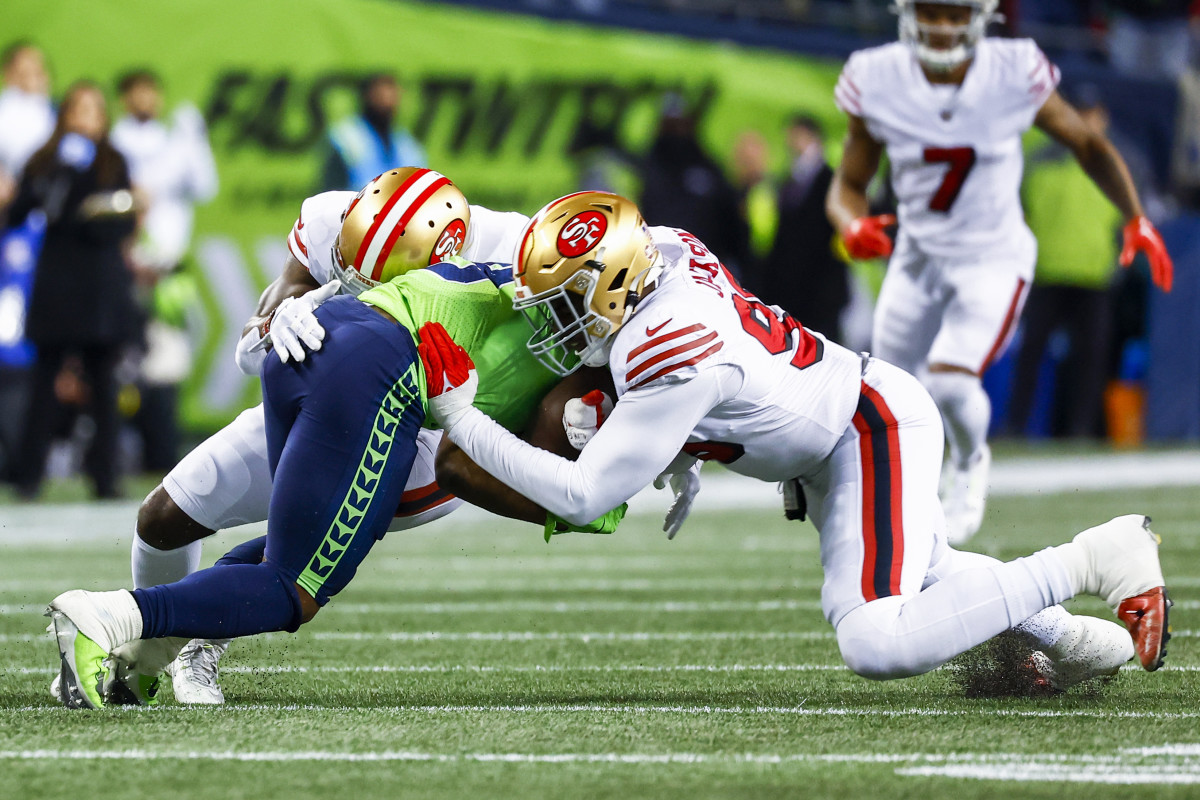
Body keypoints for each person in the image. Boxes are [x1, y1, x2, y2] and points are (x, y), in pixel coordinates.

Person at [413, 190, 1170, 690]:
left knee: (877, 639)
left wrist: (463, 418)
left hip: (863, 426)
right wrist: (676, 438)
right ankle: (1070, 641)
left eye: (566, 301)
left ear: (613, 285)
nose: (555, 319)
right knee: (927, 571)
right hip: (832, 431)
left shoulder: (663, 342)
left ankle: (1095, 557)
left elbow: (585, 496)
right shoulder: (661, 252)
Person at [74, 167, 563, 706]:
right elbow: (260, 326)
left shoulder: (522, 248)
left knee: (305, 554)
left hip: (431, 426)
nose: (364, 295)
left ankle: (190, 640)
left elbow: (616, 294)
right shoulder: (333, 217)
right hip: (331, 380)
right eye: (354, 270)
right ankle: (140, 648)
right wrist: (273, 321)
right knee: (164, 516)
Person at [825, 0, 1174, 544]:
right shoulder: (877, 77)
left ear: (980, 16)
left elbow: (1085, 142)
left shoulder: (1013, 70)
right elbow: (849, 184)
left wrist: (1135, 216)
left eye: (953, 13)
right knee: (889, 396)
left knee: (949, 379)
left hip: (993, 254)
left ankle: (969, 463)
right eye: (930, 13)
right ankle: (907, 501)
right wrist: (850, 225)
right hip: (916, 258)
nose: (941, 27)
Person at [7, 81, 139, 500]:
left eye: (95, 110)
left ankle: (105, 477)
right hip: (57, 284)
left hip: (100, 284)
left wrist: (96, 205)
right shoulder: (45, 161)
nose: (87, 119)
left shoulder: (113, 161)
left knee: (103, 385)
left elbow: (123, 223)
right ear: (64, 116)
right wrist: (58, 176)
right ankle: (27, 476)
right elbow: (19, 214)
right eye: (79, 110)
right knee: (44, 382)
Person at [110, 68, 218, 471]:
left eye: (151, 91)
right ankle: (116, 452)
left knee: (168, 358)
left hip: (167, 269)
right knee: (120, 360)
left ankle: (159, 454)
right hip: (123, 265)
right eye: (137, 92)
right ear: (124, 97)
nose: (145, 99)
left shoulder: (176, 142)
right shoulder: (114, 142)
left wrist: (197, 141)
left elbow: (206, 187)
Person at [1006, 90, 1123, 439]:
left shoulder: (1120, 160)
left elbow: (1135, 218)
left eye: (1092, 112)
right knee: (1030, 356)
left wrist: (1118, 263)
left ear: (1104, 116)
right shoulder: (1038, 159)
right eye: (1080, 111)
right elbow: (1018, 213)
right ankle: (1016, 427)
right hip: (1046, 271)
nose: (1086, 120)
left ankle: (1080, 431)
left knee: (1090, 360)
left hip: (1095, 274)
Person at [742, 115, 849, 344]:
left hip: (821, 290)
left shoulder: (830, 181)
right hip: (791, 288)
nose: (790, 142)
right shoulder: (789, 180)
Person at [638, 93, 747, 274]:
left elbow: (729, 218)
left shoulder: (706, 167)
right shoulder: (647, 167)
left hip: (703, 266)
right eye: (671, 123)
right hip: (654, 262)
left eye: (679, 122)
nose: (676, 130)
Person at [320, 73, 425, 192]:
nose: (387, 101)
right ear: (366, 95)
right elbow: (331, 191)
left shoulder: (407, 146)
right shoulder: (345, 139)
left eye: (391, 93)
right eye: (380, 94)